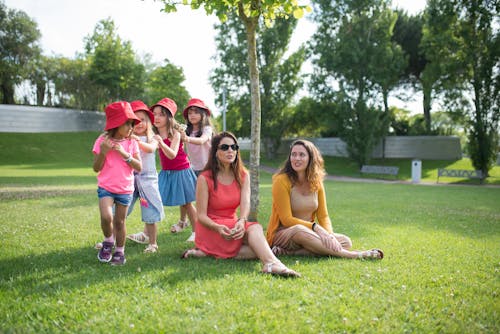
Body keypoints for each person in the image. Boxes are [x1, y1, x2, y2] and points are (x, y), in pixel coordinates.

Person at [181, 132, 301, 278]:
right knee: (256, 229)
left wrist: (242, 220)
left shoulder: (243, 175)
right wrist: (218, 227)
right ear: (215, 152)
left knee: (256, 249)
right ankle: (272, 264)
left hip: (233, 224)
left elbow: (245, 204)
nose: (230, 150)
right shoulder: (204, 178)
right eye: (224, 147)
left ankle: (207, 252)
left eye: (234, 147)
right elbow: (201, 216)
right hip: (211, 227)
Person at [266, 139, 384, 260]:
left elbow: (323, 216)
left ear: (310, 158)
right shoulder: (281, 181)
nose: (296, 158)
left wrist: (329, 235)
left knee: (345, 242)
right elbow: (286, 220)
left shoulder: (316, 182)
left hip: (310, 234)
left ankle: (291, 253)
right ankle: (354, 255)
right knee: (300, 230)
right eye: (293, 154)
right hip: (285, 233)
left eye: (302, 155)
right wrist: (315, 227)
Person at [92, 101, 142, 265]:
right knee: (106, 217)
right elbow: (96, 168)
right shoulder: (102, 140)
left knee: (120, 222)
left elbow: (139, 167)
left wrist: (124, 154)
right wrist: (104, 152)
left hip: (125, 189)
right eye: (127, 123)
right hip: (106, 188)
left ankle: (120, 252)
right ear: (116, 123)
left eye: (131, 123)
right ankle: (108, 242)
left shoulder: (131, 142)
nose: (130, 127)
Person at [151, 97, 197, 242]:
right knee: (154, 200)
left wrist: (160, 143)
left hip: (182, 171)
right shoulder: (153, 133)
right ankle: (148, 233)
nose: (156, 117)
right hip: (166, 172)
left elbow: (172, 154)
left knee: (187, 203)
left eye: (161, 114)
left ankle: (197, 233)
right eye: (155, 114)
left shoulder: (175, 134)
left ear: (169, 118)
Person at [125, 100, 165, 253]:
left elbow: (150, 150)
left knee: (149, 211)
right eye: (135, 121)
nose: (139, 123)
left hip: (147, 181)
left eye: (143, 119)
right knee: (122, 209)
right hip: (130, 179)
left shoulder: (153, 138)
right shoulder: (127, 139)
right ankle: (111, 240)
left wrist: (136, 141)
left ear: (148, 122)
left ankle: (152, 242)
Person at [175, 98, 215, 241]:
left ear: (203, 115)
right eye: (190, 113)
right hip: (192, 168)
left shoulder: (207, 129)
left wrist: (186, 138)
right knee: (185, 196)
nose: (192, 115)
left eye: (196, 112)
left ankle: (203, 227)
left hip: (207, 170)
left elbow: (202, 140)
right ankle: (183, 221)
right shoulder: (187, 130)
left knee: (203, 201)